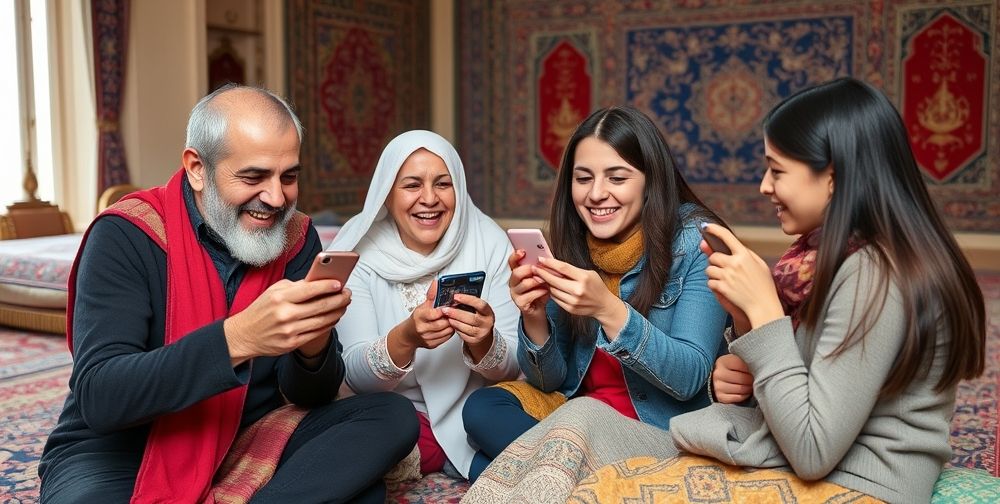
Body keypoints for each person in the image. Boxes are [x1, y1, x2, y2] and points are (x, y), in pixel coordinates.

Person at [462, 78, 986, 504]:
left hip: (853, 478)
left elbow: (808, 443)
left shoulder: (870, 272)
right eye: (583, 178)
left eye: (777, 170)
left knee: (589, 470)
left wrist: (761, 317)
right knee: (555, 422)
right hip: (803, 451)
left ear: (834, 178)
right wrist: (745, 342)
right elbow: (811, 386)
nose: (762, 186)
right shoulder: (830, 261)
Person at [38, 85, 418, 503]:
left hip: (248, 435)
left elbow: (312, 397)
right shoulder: (125, 235)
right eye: (254, 176)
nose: (276, 198)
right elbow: (102, 398)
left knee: (391, 417)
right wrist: (236, 340)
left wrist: (312, 348)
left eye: (288, 176)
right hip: (124, 447)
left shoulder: (297, 239)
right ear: (197, 168)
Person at [461, 106, 729, 481]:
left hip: (656, 428)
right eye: (583, 178)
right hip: (577, 414)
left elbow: (690, 378)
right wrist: (534, 316)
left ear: (651, 181)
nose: (596, 194)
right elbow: (550, 382)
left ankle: (560, 475)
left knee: (489, 468)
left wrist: (608, 309)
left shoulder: (694, 242)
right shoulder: (576, 242)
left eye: (617, 178)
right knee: (481, 409)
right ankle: (582, 479)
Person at [328, 130, 521, 480]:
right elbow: (353, 375)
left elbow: (512, 368)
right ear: (387, 193)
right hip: (393, 414)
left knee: (506, 436)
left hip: (473, 409)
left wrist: (483, 341)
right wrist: (406, 338)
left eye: (443, 184)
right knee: (383, 430)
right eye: (412, 185)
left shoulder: (489, 242)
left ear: (459, 190)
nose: (429, 199)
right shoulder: (358, 251)